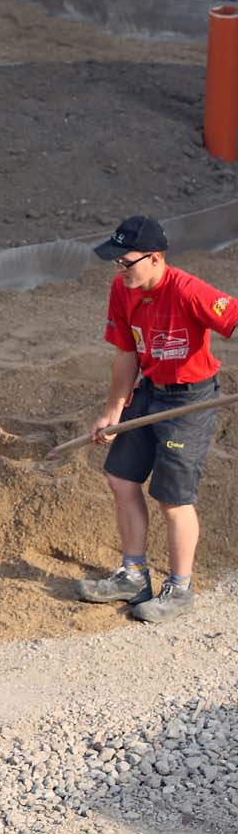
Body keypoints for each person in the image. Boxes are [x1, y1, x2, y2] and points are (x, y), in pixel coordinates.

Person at [78, 215, 235, 623]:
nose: (119, 269)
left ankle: (180, 589)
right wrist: (113, 410)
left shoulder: (188, 291)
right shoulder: (121, 289)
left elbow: (233, 317)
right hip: (149, 392)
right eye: (116, 262)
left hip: (190, 399)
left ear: (156, 258)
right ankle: (133, 575)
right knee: (121, 478)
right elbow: (126, 354)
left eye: (125, 262)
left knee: (172, 498)